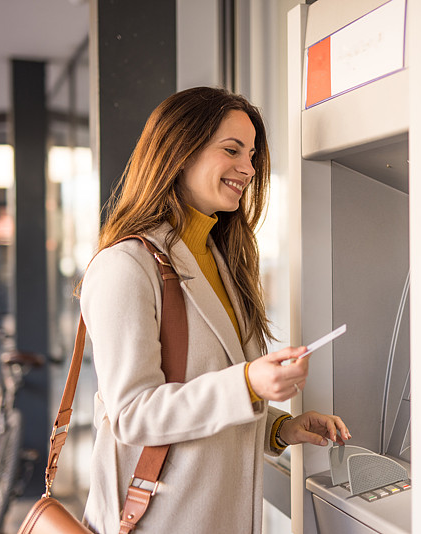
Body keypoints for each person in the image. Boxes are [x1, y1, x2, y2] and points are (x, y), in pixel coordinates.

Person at [80, 86, 350, 534]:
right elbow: (133, 414)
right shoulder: (125, 266)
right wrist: (248, 383)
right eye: (232, 150)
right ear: (180, 152)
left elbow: (206, 389)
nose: (249, 168)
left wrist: (279, 428)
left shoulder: (220, 259)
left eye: (252, 155)